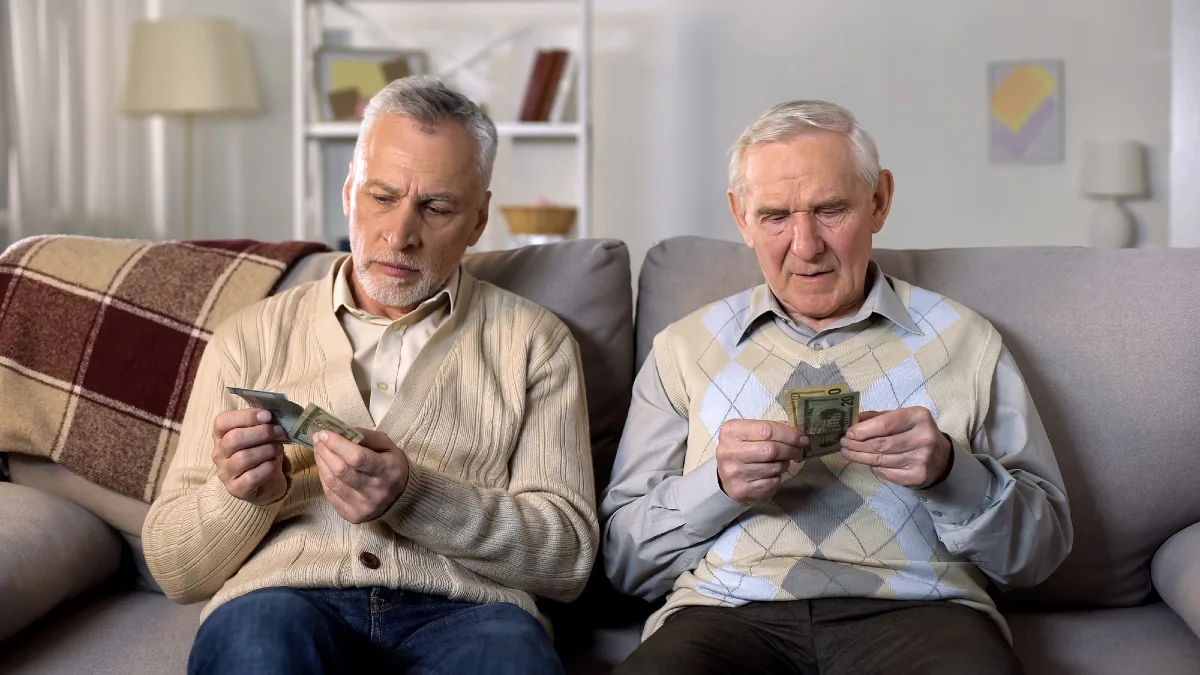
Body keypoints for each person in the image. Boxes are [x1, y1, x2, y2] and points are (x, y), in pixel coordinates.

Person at [142, 76, 598, 675]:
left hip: (470, 614)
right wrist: (241, 498)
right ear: (349, 192)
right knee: (255, 646)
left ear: (480, 219)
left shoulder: (535, 344)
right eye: (382, 197)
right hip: (284, 602)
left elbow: (567, 559)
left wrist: (414, 497)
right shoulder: (248, 337)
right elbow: (175, 571)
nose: (400, 234)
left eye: (436, 207)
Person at [601, 100, 1072, 675]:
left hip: (924, 614)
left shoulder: (966, 339)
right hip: (724, 616)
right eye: (775, 216)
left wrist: (953, 473)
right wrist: (718, 487)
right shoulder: (683, 348)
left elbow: (1041, 553)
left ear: (879, 202)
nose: (805, 244)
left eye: (830, 210)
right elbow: (623, 562)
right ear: (740, 217)